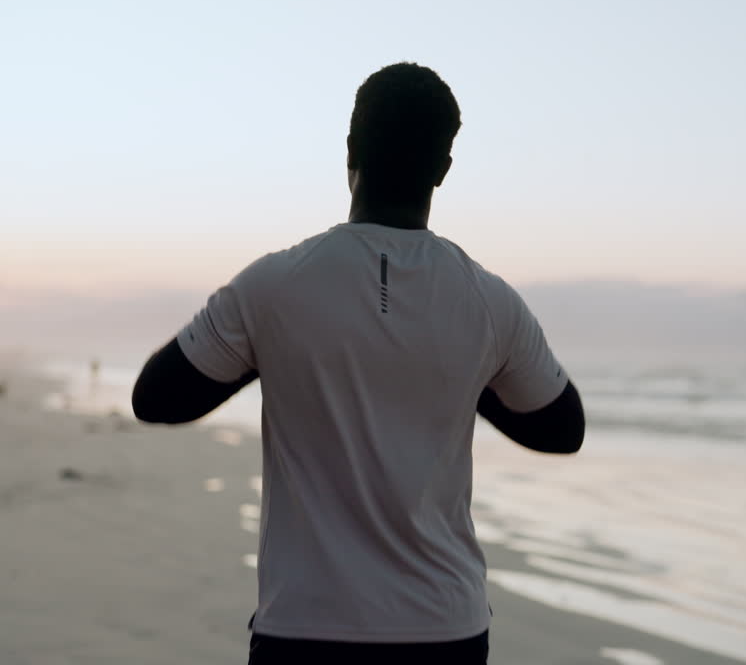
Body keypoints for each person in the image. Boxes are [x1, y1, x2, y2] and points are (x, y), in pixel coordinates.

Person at [131, 62, 585, 664]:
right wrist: (464, 376)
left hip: (304, 628)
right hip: (445, 630)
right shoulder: (490, 303)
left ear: (350, 151)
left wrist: (271, 358)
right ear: (444, 170)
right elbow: (563, 429)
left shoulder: (274, 286)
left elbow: (155, 398)